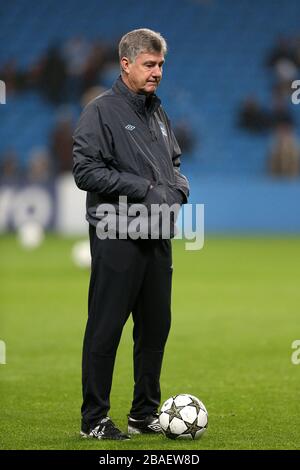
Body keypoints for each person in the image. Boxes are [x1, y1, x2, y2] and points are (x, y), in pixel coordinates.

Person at [73, 28, 189, 440]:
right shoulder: (99, 111)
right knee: (106, 328)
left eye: (160, 65)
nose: (157, 72)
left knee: (156, 328)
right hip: (116, 235)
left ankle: (143, 414)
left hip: (157, 234)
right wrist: (143, 188)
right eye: (149, 64)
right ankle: (94, 420)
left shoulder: (157, 112)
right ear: (126, 64)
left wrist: (179, 187)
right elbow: (85, 171)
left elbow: (173, 161)